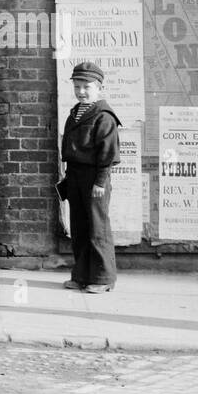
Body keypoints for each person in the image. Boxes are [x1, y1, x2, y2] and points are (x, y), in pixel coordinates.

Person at [58, 61, 121, 293]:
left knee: (97, 228)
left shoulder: (104, 117)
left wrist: (100, 182)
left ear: (99, 87)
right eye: (77, 87)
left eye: (87, 87)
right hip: (75, 176)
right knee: (80, 227)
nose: (81, 92)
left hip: (95, 178)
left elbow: (108, 153)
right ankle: (82, 275)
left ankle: (103, 278)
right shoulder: (76, 113)